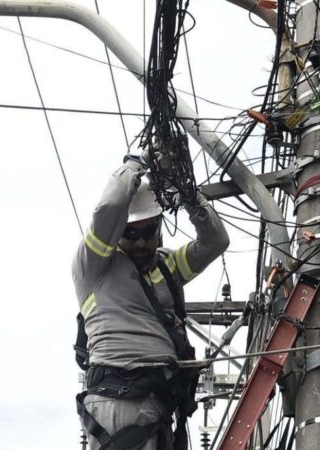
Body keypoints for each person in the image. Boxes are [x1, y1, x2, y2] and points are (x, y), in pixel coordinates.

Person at [72, 156, 229, 450]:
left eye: (148, 232)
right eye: (131, 234)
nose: (142, 243)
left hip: (157, 404)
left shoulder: (168, 267)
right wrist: (136, 163)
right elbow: (110, 207)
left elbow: (215, 241)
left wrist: (186, 192)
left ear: (159, 228)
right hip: (116, 401)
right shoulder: (94, 266)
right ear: (118, 233)